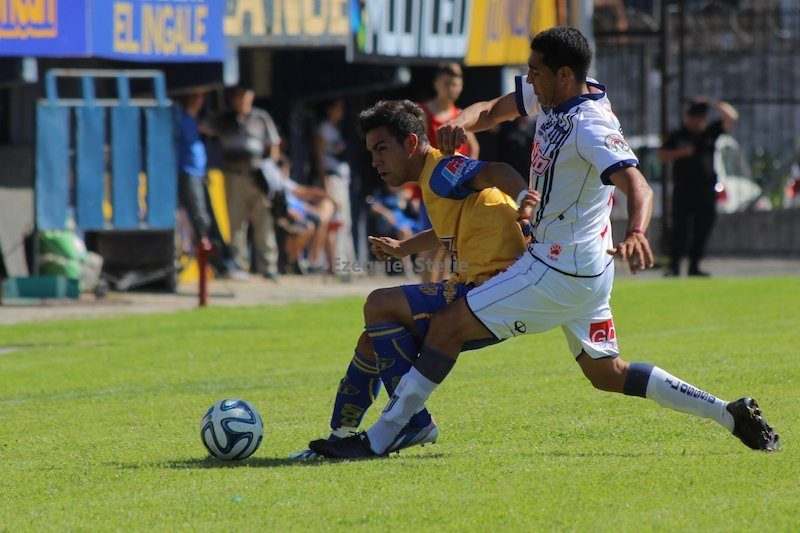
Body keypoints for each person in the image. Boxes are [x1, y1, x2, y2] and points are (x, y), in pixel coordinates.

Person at [310, 27, 778, 459]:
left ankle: (382, 436)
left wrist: (637, 230)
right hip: (584, 272)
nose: (528, 78)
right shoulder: (555, 92)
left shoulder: (590, 125)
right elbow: (493, 109)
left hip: (558, 268)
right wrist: (463, 124)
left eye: (535, 70)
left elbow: (638, 185)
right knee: (607, 373)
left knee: (447, 326)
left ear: (565, 74)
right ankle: (727, 412)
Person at [289, 99, 539, 459]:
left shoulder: (442, 171)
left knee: (379, 304)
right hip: (483, 286)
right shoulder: (434, 179)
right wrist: (404, 248)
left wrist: (525, 201)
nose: (375, 161)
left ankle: (412, 421)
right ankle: (340, 435)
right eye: (371, 152)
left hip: (491, 288)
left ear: (410, 144)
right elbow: (446, 228)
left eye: (381, 149)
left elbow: (496, 170)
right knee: (373, 341)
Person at [415, 63, 481, 283]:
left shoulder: (461, 115)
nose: (452, 88)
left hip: (456, 191)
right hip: (433, 189)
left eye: (455, 83)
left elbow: (473, 147)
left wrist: (469, 176)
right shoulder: (424, 112)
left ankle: (440, 296)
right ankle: (426, 291)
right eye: (447, 83)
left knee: (448, 247)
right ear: (437, 84)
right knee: (431, 247)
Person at [208, 85, 282, 281]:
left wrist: (271, 168)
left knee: (263, 220)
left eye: (245, 96)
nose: (241, 101)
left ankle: (269, 266)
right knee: (236, 223)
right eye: (238, 97)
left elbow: (274, 143)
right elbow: (204, 126)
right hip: (233, 175)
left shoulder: (260, 117)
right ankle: (240, 266)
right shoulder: (225, 119)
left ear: (251, 97)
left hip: (258, 175)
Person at [659, 98, 739, 277]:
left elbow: (732, 116)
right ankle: (674, 266)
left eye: (701, 117)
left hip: (706, 191)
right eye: (694, 117)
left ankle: (694, 266)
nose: (698, 121)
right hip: (683, 190)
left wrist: (712, 102)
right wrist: (682, 153)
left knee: (702, 229)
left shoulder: (710, 132)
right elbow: (662, 155)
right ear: (687, 117)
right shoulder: (678, 135)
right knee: (680, 230)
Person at [173, 88, 240, 278]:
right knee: (200, 219)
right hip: (188, 174)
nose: (201, 101)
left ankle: (216, 262)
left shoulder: (194, 122)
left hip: (199, 174)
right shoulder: (182, 120)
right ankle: (212, 261)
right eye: (198, 97)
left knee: (207, 218)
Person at [314, 99, 357, 277]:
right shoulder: (324, 128)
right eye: (338, 108)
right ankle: (333, 264)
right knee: (335, 222)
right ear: (330, 109)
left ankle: (344, 263)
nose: (341, 112)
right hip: (331, 178)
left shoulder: (337, 129)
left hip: (342, 178)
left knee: (345, 222)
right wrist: (323, 181)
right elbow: (319, 156)